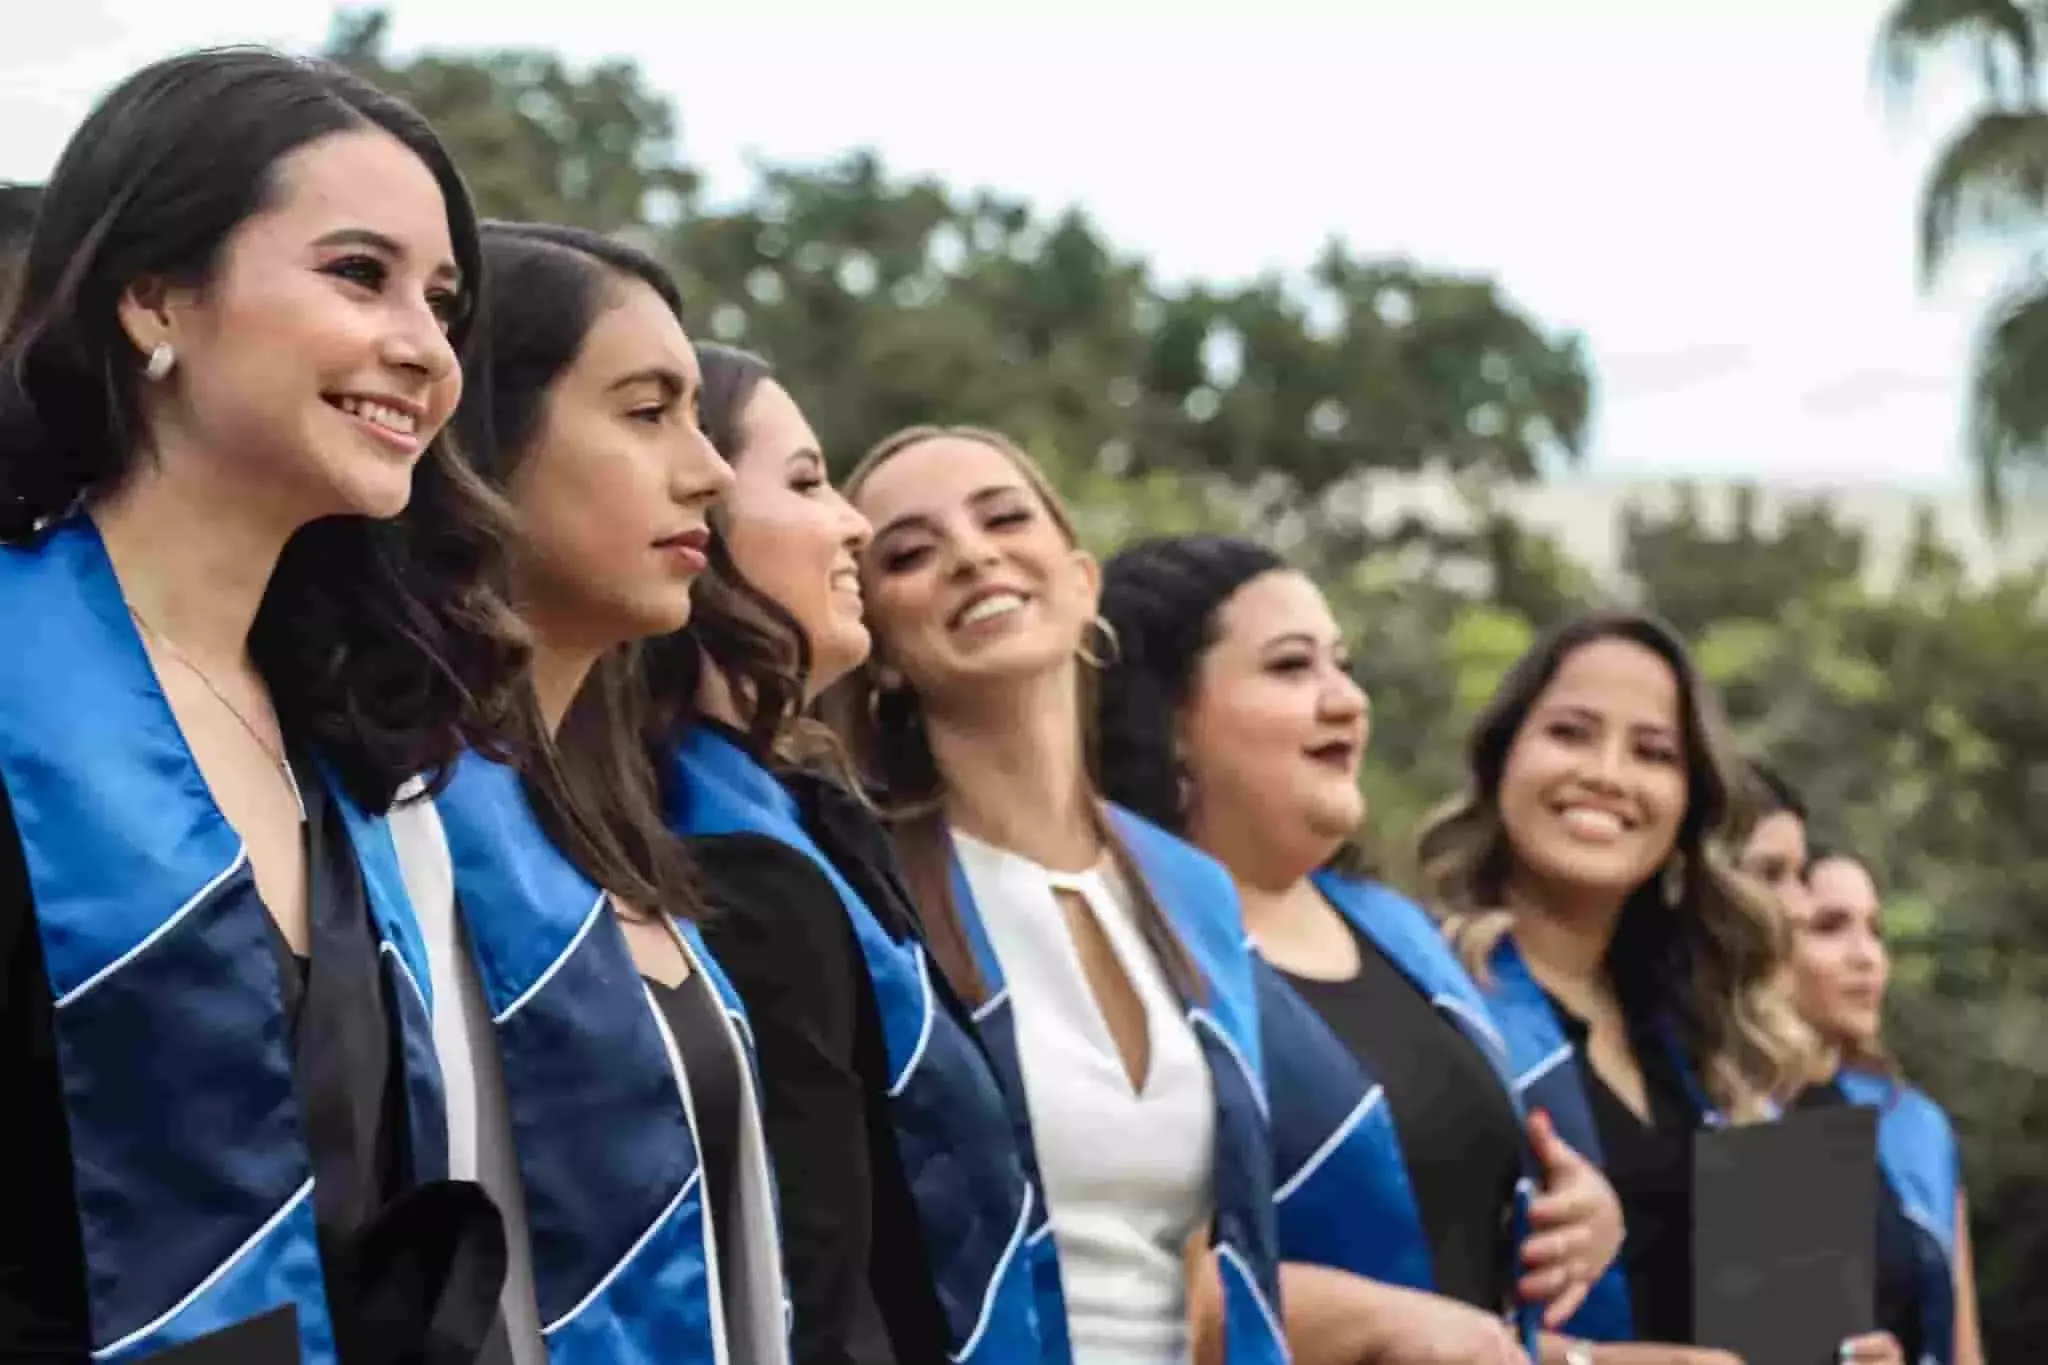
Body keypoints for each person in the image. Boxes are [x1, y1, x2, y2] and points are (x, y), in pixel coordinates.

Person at [0, 47, 525, 1363]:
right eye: (360, 274)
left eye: (444, 302)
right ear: (152, 296)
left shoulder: (345, 748)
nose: (425, 347)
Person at [1095, 533, 1629, 1365]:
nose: (1346, 700)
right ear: (1169, 721)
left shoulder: (1397, 929)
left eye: (1341, 664)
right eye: (1290, 667)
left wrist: (1567, 1212)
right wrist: (1370, 1324)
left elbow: (1459, 1259)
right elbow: (1103, 1275)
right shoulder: (1122, 939)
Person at [828, 425, 1287, 1365]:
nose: (972, 552)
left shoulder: (1190, 889)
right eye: (911, 552)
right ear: (876, 647)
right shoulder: (864, 886)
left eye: (1003, 516)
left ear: (1082, 580)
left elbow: (1224, 1263)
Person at [415, 224, 787, 1364]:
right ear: (485, 439)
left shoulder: (616, 824)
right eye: (645, 411)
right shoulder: (392, 814)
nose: (709, 470)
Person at [656, 345, 1042, 1365]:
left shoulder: (802, 815)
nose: (854, 527)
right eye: (806, 481)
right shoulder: (726, 856)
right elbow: (819, 1292)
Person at [1418, 610, 1812, 1361]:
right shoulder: (1426, 998)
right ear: (1503, 759)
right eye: (1570, 732)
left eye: (1653, 751)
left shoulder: (1715, 1039)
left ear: (1688, 804)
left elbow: (1788, 1332)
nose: (1606, 773)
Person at [1788, 849, 1983, 1365]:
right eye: (1830, 927)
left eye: (1875, 931)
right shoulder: (1727, 1112)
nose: (1867, 956)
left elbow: (1963, 1350)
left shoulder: (1917, 1125)